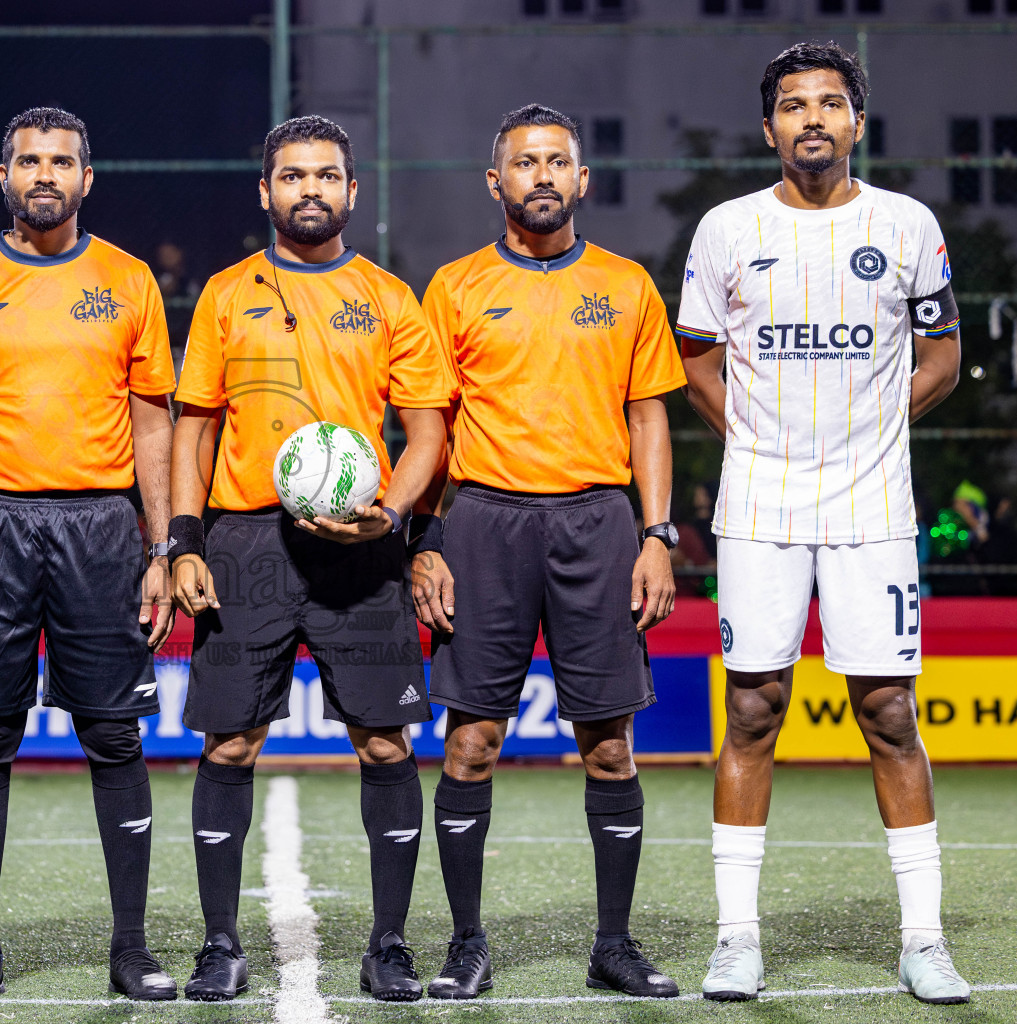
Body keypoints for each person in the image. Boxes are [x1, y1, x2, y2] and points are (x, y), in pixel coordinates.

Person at [677, 43, 968, 1004]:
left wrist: (867, 435)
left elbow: (942, 358)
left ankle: (923, 940)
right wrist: (761, 443)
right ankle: (736, 939)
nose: (813, 119)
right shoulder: (726, 229)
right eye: (794, 106)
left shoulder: (909, 224)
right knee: (752, 710)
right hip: (758, 505)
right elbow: (697, 363)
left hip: (873, 506)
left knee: (889, 712)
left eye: (831, 104)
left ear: (856, 122)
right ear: (770, 129)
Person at [169, 115, 453, 1003]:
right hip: (246, 538)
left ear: (351, 191)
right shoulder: (224, 293)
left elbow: (429, 430)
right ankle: (220, 944)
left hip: (360, 549)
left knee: (383, 740)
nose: (309, 190)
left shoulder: (390, 298)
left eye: (326, 176)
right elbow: (196, 424)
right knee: (231, 740)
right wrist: (181, 540)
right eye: (291, 176)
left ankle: (391, 946)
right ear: (266, 191)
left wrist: (395, 520)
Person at [0, 107, 179, 1004]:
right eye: (28, 160)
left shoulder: (130, 280)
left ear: (87, 179)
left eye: (62, 161)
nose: (44, 173)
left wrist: (164, 545)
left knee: (112, 733)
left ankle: (130, 949)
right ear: (4, 175)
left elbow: (152, 423)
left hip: (101, 527)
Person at [411, 103, 685, 1001]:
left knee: (609, 747)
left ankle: (614, 944)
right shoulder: (451, 287)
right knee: (473, 744)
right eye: (524, 163)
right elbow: (428, 427)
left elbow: (649, 415)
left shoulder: (628, 285)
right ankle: (465, 945)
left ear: (582, 180)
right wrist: (428, 541)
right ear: (496, 183)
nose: (541, 176)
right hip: (485, 524)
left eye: (557, 162)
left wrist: (656, 534)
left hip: (598, 525)